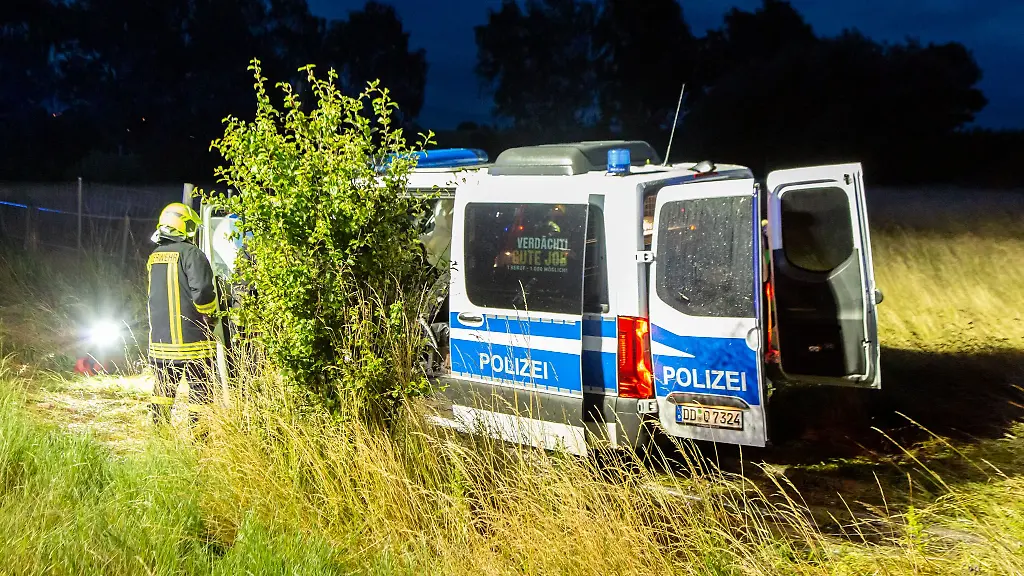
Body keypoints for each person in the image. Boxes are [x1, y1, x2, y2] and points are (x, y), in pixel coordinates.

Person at [146, 202, 219, 430]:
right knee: (200, 392)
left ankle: (160, 437)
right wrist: (211, 315)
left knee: (163, 392)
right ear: (184, 226)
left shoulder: (154, 256)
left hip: (160, 343)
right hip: (192, 342)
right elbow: (204, 292)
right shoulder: (192, 254)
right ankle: (199, 441)